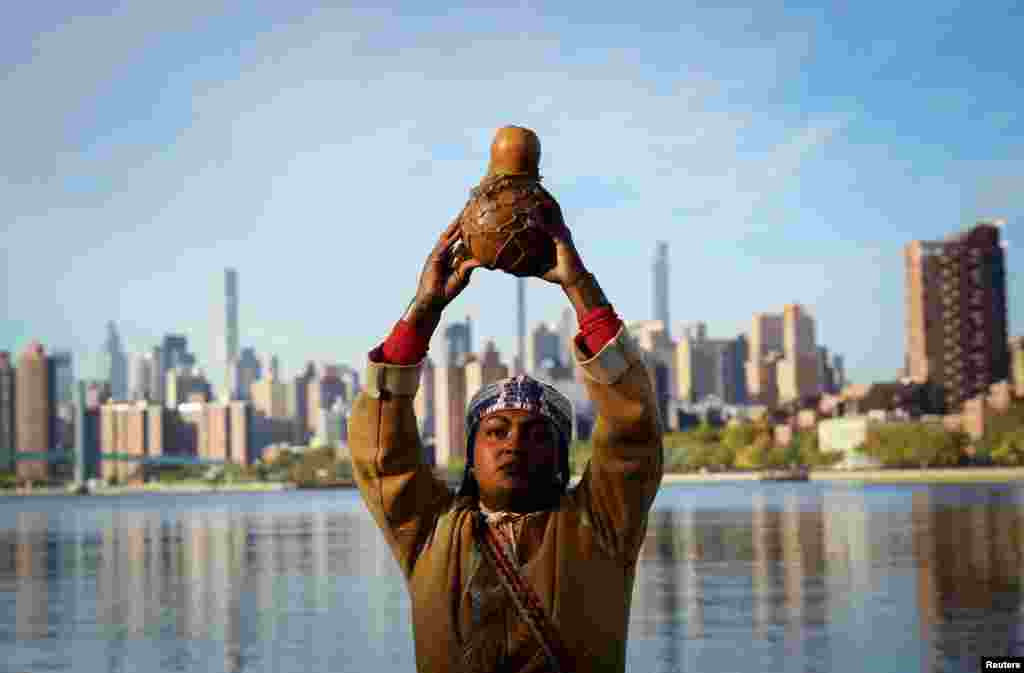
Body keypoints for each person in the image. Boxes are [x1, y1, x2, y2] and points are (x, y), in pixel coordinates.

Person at [350, 214, 664, 672]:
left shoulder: (601, 527)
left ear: (560, 459)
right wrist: (423, 310)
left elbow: (631, 433)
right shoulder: (427, 534)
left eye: (538, 435)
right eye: (497, 431)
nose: (515, 443)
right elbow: (382, 454)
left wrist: (579, 286)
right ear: (471, 457)